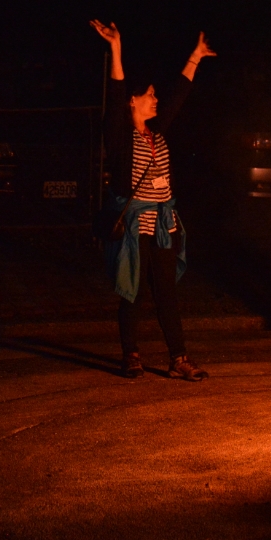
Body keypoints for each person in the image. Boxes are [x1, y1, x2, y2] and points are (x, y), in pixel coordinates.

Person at [91, 19, 214, 380]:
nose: (157, 99)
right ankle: (131, 355)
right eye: (149, 95)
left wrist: (195, 57)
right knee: (132, 291)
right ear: (133, 101)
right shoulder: (119, 136)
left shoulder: (156, 133)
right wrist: (116, 49)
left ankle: (179, 359)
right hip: (133, 227)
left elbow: (177, 97)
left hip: (162, 224)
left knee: (167, 295)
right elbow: (114, 96)